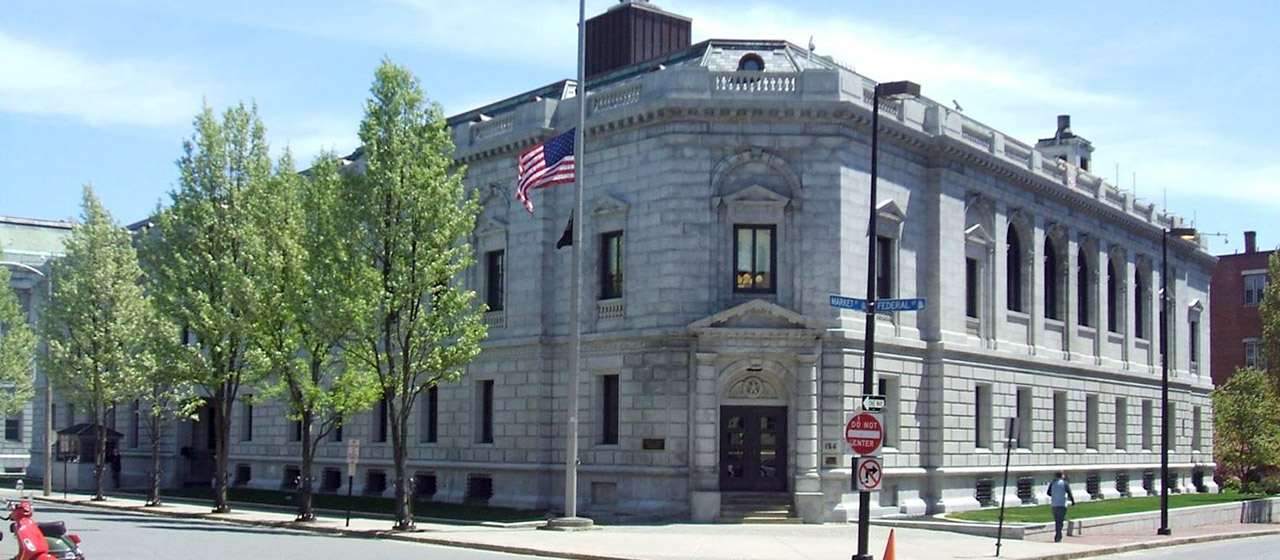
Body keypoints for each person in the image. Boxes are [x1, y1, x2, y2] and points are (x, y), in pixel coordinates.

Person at [1046, 470, 1076, 542]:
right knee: (1061, 520)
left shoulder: (1052, 483)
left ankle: (1058, 535)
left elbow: (1048, 493)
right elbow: (1069, 492)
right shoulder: (1064, 483)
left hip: (1054, 504)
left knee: (1057, 520)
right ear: (1062, 475)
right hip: (1062, 504)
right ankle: (1058, 536)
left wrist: (1055, 495)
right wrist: (1073, 502)